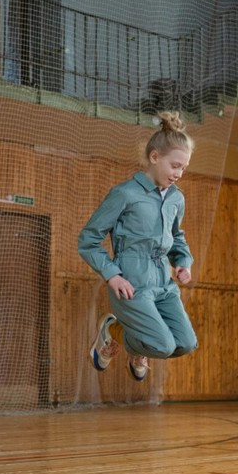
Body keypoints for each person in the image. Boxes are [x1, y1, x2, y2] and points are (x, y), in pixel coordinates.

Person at [78, 111, 198, 382]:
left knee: (186, 343)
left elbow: (176, 237)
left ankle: (138, 343)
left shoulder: (176, 198)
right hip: (132, 285)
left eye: (184, 168)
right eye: (175, 166)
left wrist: (183, 262)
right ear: (155, 157)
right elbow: (88, 240)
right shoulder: (125, 194)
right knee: (163, 346)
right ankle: (114, 331)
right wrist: (113, 275)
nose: (179, 174)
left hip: (164, 284)